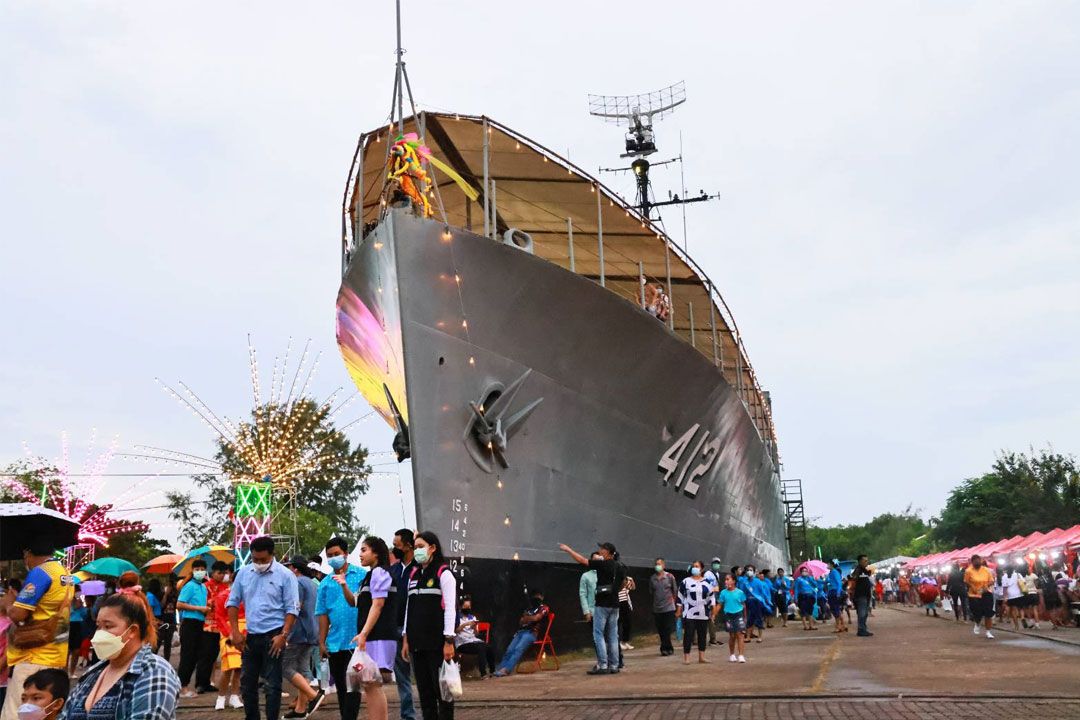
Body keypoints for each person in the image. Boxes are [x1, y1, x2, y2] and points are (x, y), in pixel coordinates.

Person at [62, 590, 180, 719]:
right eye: (98, 626)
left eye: (108, 626)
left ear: (132, 631)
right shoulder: (93, 673)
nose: (100, 634)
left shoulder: (154, 672)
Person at [226, 536, 300, 720]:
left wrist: (284, 634)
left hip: (275, 635)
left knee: (273, 685)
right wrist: (235, 631)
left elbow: (292, 608)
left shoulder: (285, 575)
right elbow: (233, 603)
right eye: (255, 559)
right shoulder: (244, 573)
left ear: (272, 555)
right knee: (247, 684)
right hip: (251, 636)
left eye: (263, 560)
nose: (258, 563)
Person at [0, 539, 73, 720]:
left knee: (17, 713)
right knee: (42, 714)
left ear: (28, 554)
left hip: (32, 655)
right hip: (55, 654)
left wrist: (9, 604)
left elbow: (18, 614)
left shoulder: (40, 573)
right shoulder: (65, 573)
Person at [401, 531, 456, 720]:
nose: (417, 551)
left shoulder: (443, 573)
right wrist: (406, 637)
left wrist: (448, 640)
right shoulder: (414, 574)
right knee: (425, 694)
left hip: (437, 643)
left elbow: (450, 609)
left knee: (442, 691)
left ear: (432, 548)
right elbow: (409, 606)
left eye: (421, 547)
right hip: (417, 642)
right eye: (415, 547)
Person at [316, 537, 365, 720]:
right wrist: (321, 642)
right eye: (330, 555)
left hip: (356, 642)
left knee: (354, 687)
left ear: (346, 554)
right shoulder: (325, 583)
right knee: (342, 689)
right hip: (335, 643)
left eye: (337, 554)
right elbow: (322, 614)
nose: (333, 558)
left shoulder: (361, 575)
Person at [558, 542, 623, 675]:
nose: (599, 551)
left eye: (602, 549)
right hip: (615, 604)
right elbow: (622, 585)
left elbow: (582, 560)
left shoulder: (601, 564)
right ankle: (615, 665)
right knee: (612, 635)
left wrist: (568, 550)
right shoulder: (620, 566)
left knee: (598, 634)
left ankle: (603, 664)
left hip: (602, 604)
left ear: (607, 552)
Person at [352, 536, 397, 720]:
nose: (360, 555)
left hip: (379, 635)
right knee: (369, 683)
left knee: (372, 683)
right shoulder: (370, 575)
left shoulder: (380, 573)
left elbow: (377, 604)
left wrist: (363, 633)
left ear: (376, 553)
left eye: (364, 550)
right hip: (373, 635)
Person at [281, 556, 322, 719]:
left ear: (295, 568)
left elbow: (295, 606)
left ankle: (313, 696)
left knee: (285, 666)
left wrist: (285, 631)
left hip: (299, 631)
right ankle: (300, 709)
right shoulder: (312, 583)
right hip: (312, 630)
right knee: (303, 669)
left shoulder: (297, 583)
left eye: (288, 567)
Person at [388, 530, 417, 720]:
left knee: (425, 675)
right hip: (397, 628)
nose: (394, 548)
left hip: (417, 629)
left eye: (397, 545)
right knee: (402, 677)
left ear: (408, 545)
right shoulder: (394, 570)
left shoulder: (420, 569)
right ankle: (408, 715)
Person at [492, 590, 548, 678]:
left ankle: (507, 670)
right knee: (509, 650)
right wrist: (528, 618)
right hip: (521, 632)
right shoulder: (529, 609)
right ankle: (500, 668)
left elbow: (536, 618)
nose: (536, 597)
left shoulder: (544, 608)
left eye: (538, 595)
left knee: (518, 649)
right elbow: (521, 621)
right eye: (535, 595)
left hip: (531, 633)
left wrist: (527, 618)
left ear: (542, 597)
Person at [208, 567, 242, 712]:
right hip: (228, 631)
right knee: (228, 666)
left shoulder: (247, 595)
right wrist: (230, 632)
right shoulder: (223, 595)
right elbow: (219, 616)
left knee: (240, 667)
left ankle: (235, 696)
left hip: (245, 631)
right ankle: (221, 697)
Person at [176, 560, 210, 698]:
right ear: (193, 570)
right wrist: (199, 608)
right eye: (197, 569)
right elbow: (179, 604)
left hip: (199, 623)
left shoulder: (202, 587)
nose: (200, 571)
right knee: (187, 656)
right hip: (190, 622)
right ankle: (182, 687)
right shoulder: (189, 586)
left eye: (202, 569)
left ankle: (184, 685)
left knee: (195, 655)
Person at [676, 561, 712, 665]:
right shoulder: (685, 581)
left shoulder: (707, 582)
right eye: (693, 566)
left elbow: (711, 597)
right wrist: (679, 609)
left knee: (702, 635)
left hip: (703, 612)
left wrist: (711, 610)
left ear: (702, 569)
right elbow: (680, 596)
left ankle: (702, 656)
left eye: (697, 566)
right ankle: (687, 657)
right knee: (688, 634)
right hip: (689, 612)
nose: (694, 568)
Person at [453, 596, 494, 679]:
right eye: (466, 607)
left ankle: (492, 671)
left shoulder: (472, 617)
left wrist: (474, 627)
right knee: (481, 648)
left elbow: (476, 633)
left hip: (473, 640)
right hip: (462, 643)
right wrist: (465, 624)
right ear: (461, 607)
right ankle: (483, 674)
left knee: (489, 647)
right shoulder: (457, 618)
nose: (468, 608)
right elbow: (455, 631)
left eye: (469, 607)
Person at [963, 555, 995, 639]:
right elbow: (966, 581)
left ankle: (988, 632)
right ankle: (977, 622)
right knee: (977, 612)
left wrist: (986, 586)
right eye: (976, 561)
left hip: (986, 593)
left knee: (988, 613)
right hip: (974, 594)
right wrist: (972, 586)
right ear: (972, 562)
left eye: (979, 560)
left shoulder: (986, 570)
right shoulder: (968, 571)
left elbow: (992, 581)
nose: (978, 562)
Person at [649, 559, 677, 656]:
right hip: (657, 608)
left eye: (659, 564)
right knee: (660, 629)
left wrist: (672, 600)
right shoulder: (653, 578)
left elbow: (675, 590)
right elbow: (651, 591)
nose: (658, 566)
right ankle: (667, 647)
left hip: (668, 607)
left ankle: (665, 648)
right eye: (656, 564)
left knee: (667, 628)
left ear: (664, 565)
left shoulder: (669, 577)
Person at [718, 574, 747, 663]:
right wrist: (714, 614)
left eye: (728, 579)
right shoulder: (723, 593)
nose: (726, 581)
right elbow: (720, 604)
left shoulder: (740, 592)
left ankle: (741, 655)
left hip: (738, 614)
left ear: (734, 581)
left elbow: (744, 605)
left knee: (740, 634)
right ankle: (732, 654)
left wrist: (745, 617)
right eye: (725, 580)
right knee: (732, 635)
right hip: (728, 615)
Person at [850, 555, 874, 637]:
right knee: (862, 613)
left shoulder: (865, 570)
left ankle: (863, 629)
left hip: (866, 594)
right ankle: (861, 630)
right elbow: (853, 578)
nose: (866, 562)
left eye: (867, 561)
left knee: (865, 613)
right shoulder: (858, 569)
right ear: (860, 561)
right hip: (860, 595)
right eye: (864, 561)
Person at [67, 589, 88, 677]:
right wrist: (74, 608)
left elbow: (84, 615)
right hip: (68, 625)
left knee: (76, 651)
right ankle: (63, 670)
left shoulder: (81, 604)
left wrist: (81, 606)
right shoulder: (67, 602)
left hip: (78, 626)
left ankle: (72, 672)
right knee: (66, 651)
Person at [156, 579, 178, 662]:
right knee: (157, 643)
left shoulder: (175, 595)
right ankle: (152, 660)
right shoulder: (161, 594)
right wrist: (165, 594)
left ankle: (166, 661)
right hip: (162, 621)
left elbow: (177, 607)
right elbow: (161, 606)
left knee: (168, 644)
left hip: (171, 622)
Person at [703, 559, 722, 645]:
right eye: (715, 563)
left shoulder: (717, 574)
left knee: (712, 618)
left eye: (718, 563)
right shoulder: (707, 574)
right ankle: (710, 639)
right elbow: (705, 586)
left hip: (714, 598)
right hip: (707, 599)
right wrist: (713, 589)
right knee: (706, 619)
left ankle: (713, 638)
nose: (716, 565)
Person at [1000, 564, 1024, 631]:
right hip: (1019, 594)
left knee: (1013, 611)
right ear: (1013, 569)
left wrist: (1004, 597)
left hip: (1010, 595)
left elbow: (1004, 588)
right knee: (1021, 608)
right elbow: (1023, 582)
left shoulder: (1004, 576)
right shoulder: (1018, 574)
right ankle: (1022, 618)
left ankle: (1017, 626)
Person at [578, 554, 598, 626]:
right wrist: (586, 612)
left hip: (607, 611)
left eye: (599, 559)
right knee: (596, 635)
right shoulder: (585, 576)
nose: (597, 561)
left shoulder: (607, 574)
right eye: (595, 560)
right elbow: (583, 595)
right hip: (593, 612)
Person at [617, 576, 636, 651]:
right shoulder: (616, 580)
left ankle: (625, 641)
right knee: (618, 623)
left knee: (627, 624)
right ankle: (619, 642)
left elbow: (633, 588)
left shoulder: (626, 580)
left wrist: (632, 580)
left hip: (625, 603)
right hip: (618, 603)